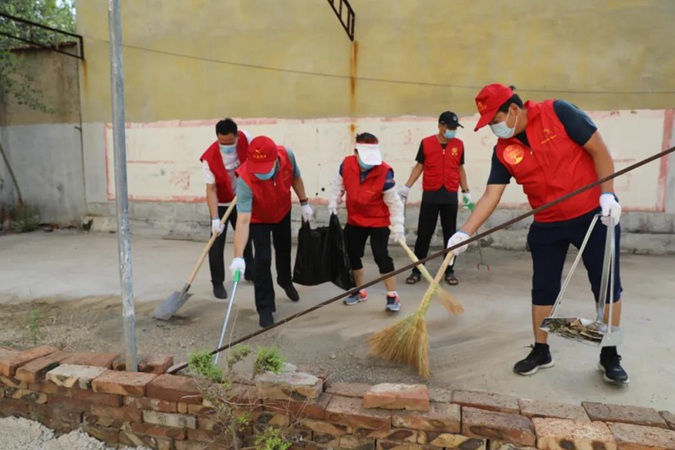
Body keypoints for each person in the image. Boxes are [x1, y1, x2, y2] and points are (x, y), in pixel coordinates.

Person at [446, 83, 628, 384]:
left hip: (594, 216)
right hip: (547, 221)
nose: (494, 128)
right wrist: (465, 233)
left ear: (513, 109)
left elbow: (600, 152)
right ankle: (541, 350)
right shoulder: (503, 151)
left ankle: (610, 354)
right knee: (543, 289)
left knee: (606, 286)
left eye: (495, 120)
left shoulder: (559, 113)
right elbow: (491, 195)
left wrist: (607, 194)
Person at [229, 135, 313, 328]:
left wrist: (304, 202)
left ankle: (285, 281)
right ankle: (265, 307)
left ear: (275, 159)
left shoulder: (287, 156)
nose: (261, 173)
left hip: (282, 211)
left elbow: (295, 178)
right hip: (258, 219)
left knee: (284, 249)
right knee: (262, 259)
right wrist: (238, 257)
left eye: (265, 168)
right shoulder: (245, 179)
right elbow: (243, 221)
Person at [328, 132, 405, 312]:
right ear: (356, 153)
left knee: (381, 256)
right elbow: (338, 186)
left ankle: (392, 295)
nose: (369, 164)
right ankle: (359, 290)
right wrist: (333, 202)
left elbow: (394, 202)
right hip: (356, 218)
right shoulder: (346, 165)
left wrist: (398, 225)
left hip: (379, 220)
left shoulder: (384, 172)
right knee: (352, 254)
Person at [398, 111, 472, 286]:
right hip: (431, 194)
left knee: (450, 236)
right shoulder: (427, 143)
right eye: (450, 127)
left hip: (450, 194)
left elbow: (460, 168)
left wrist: (466, 191)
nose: (453, 130)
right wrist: (407, 186)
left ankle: (449, 271)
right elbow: (419, 166)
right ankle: (417, 270)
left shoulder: (459, 145)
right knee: (424, 234)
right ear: (440, 126)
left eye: (455, 128)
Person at [200, 118, 254, 299]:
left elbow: (254, 159)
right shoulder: (209, 158)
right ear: (217, 138)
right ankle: (217, 283)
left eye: (230, 142)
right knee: (216, 243)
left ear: (237, 136)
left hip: (241, 198)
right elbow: (211, 190)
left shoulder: (246, 138)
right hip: (222, 203)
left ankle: (250, 271)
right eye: (222, 143)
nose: (227, 146)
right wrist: (215, 218)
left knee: (246, 235)